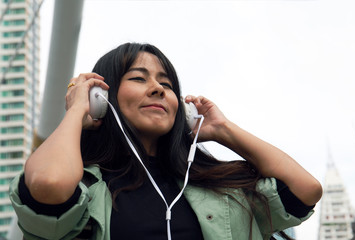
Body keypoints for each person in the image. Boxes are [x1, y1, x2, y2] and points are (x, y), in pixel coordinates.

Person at [9, 42, 322, 240]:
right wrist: (77, 110)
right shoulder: (86, 187)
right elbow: (49, 183)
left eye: (166, 83)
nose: (157, 88)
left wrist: (223, 129)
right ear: (101, 98)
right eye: (138, 78)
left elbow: (305, 190)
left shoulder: (219, 189)